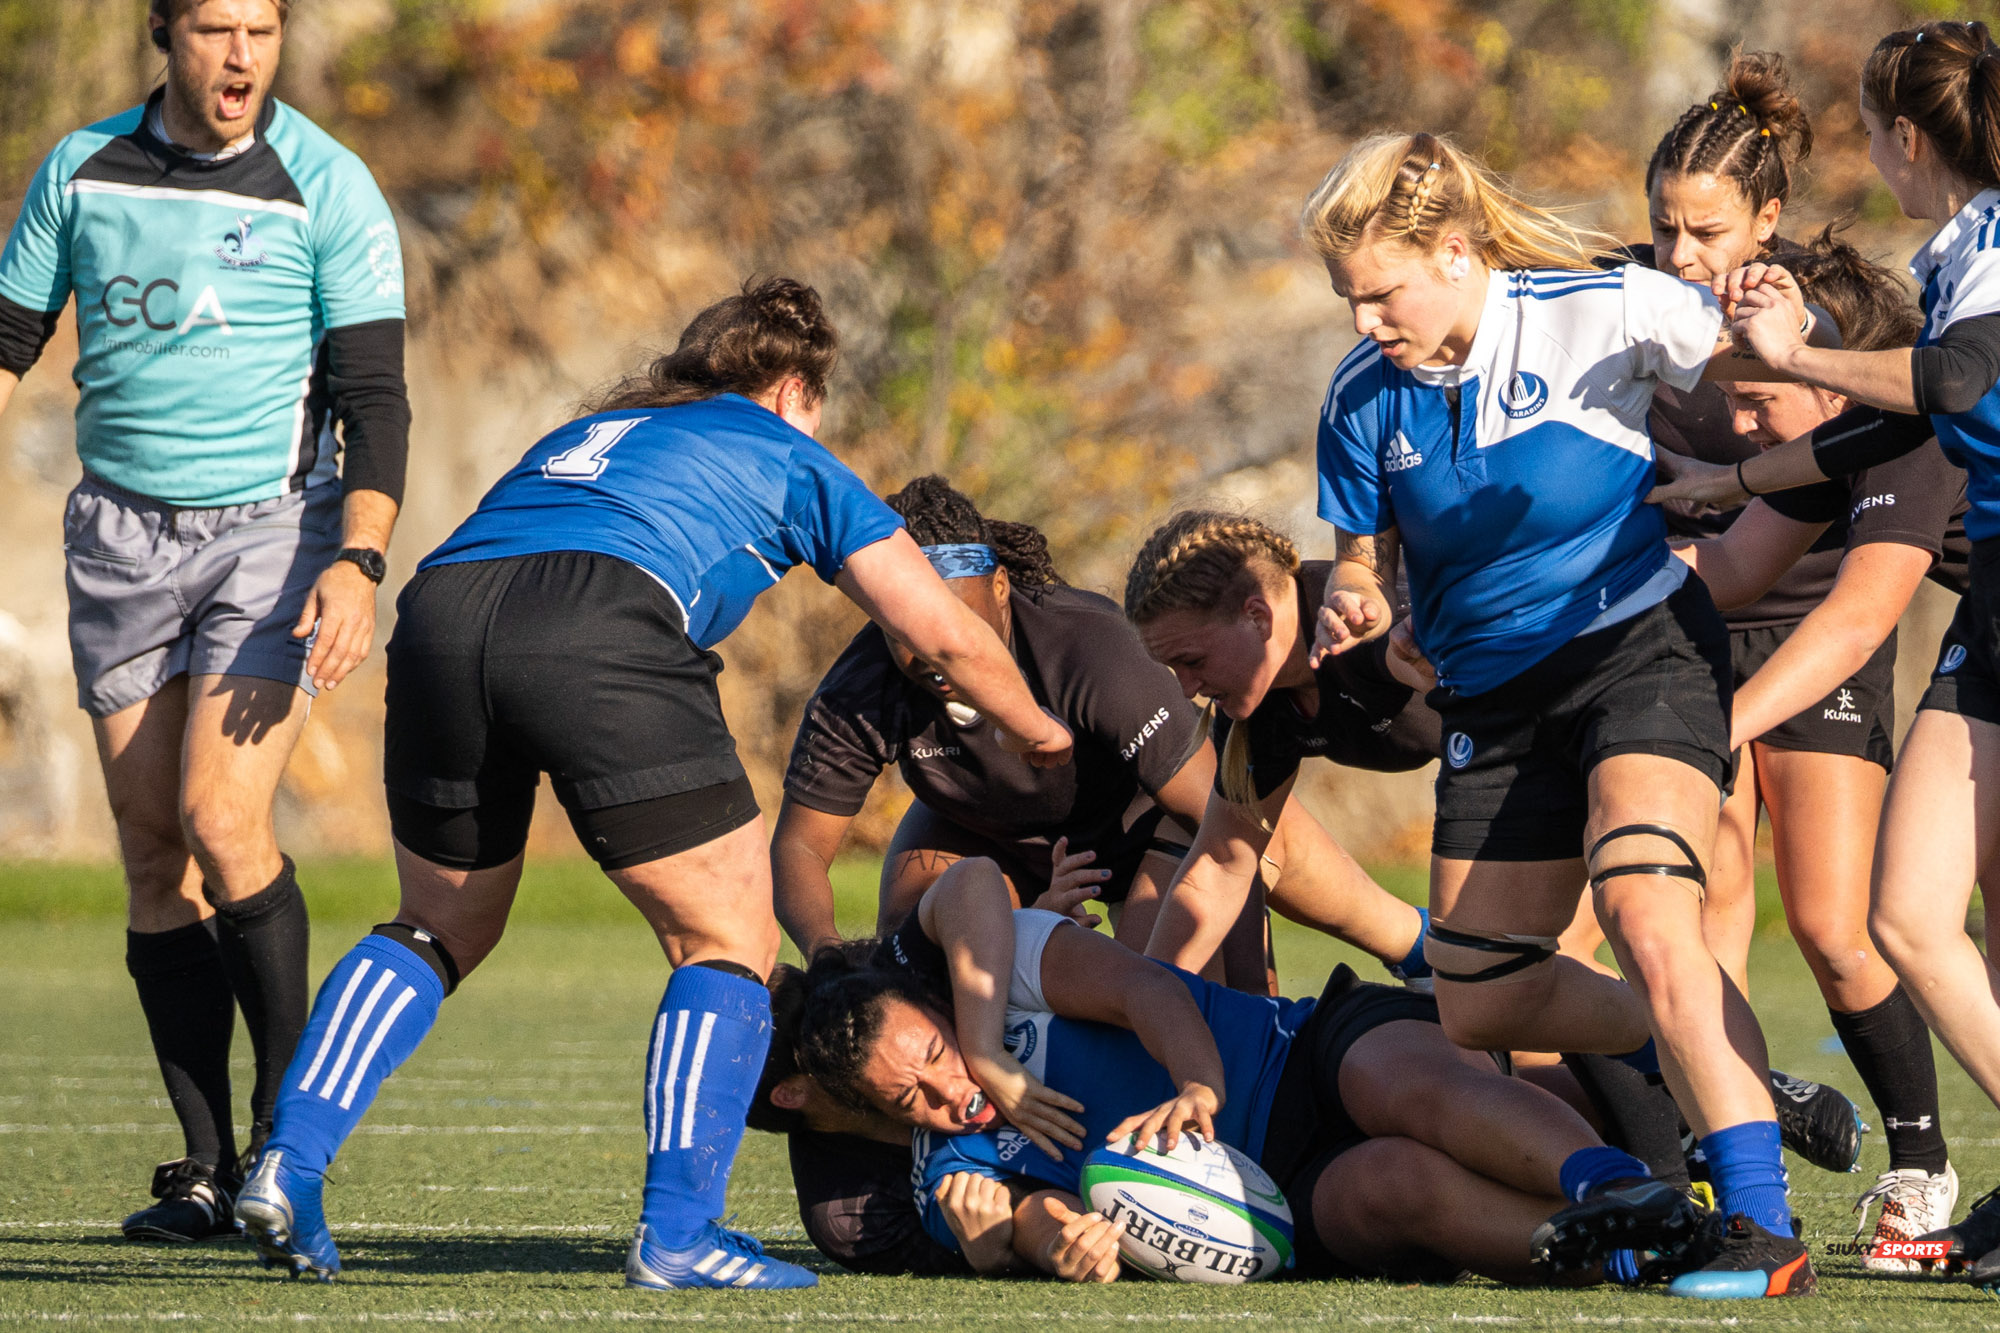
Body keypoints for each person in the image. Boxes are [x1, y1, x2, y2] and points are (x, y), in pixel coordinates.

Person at [230, 278, 1075, 1290]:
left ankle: (289, 1160)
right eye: (818, 402)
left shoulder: (596, 428)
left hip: (444, 614)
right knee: (726, 939)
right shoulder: (784, 446)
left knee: (437, 923)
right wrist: (1039, 730)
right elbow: (935, 624)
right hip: (598, 619)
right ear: (794, 389)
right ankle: (679, 1235)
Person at [1305, 129, 1813, 1298]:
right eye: (1345, 297)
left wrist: (1777, 343)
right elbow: (1355, 562)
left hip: (1638, 650)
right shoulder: (1357, 397)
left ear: (1449, 251)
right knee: (1479, 992)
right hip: (1492, 702)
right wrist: (1357, 600)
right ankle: (1702, 1059)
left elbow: (1781, 380)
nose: (1359, 319)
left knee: (1643, 904)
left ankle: (1759, 1224)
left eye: (1377, 293)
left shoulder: (1600, 310)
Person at [0, 0, 409, 1241]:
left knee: (222, 821)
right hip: (119, 534)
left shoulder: (326, 188)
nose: (241, 58)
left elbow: (375, 400)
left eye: (263, 31)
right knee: (148, 852)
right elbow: (9, 342)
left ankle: (294, 1141)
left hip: (273, 532)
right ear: (165, 36)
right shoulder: (80, 168)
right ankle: (205, 1164)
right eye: (216, 30)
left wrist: (361, 561)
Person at [1644, 18, 2000, 1286]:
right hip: (1972, 613)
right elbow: (1851, 445)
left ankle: (1939, 1164)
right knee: (1892, 915)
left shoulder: (1953, 279)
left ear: (1906, 138)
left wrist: (1795, 361)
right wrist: (1727, 478)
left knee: (1881, 920)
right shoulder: (1949, 255)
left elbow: (1952, 386)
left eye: (1869, 134)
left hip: (1923, 613)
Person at [790, 857, 1712, 1288]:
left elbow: (1151, 991)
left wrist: (1198, 1085)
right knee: (1393, 1185)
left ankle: (1626, 1182)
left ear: (947, 1013)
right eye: (909, 1096)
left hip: (1297, 1052)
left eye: (937, 1057)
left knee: (1404, 1087)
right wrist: (1046, 1244)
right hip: (1283, 1184)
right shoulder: (944, 1166)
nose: (947, 1093)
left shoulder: (1005, 975)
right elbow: (1032, 1220)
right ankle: (1624, 1251)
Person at [775, 477, 1426, 990]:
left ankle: (1409, 943)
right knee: (914, 951)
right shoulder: (858, 686)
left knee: (1176, 967)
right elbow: (800, 847)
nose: (939, 650)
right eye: (909, 631)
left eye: (960, 627)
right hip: (988, 828)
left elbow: (1226, 840)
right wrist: (827, 951)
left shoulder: (1090, 648)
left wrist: (1259, 1007)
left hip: (1140, 819)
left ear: (1001, 588)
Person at [1664, 231, 1968, 1264]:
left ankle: (1922, 1168)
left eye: (1758, 396)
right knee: (1921, 920)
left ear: (1824, 370)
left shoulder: (1915, 433)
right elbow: (1732, 568)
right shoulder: (1846, 437)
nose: (1739, 424)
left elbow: (1852, 623)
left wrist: (1718, 726)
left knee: (1896, 921)